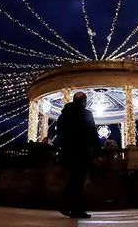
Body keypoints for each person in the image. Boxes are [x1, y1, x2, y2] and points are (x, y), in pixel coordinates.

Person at [55, 91, 100, 219]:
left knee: (74, 179)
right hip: (82, 152)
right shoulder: (86, 114)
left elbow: (60, 134)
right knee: (78, 181)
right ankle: (71, 206)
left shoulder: (63, 115)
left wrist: (63, 149)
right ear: (83, 101)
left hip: (68, 152)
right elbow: (92, 133)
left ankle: (69, 205)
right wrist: (97, 151)